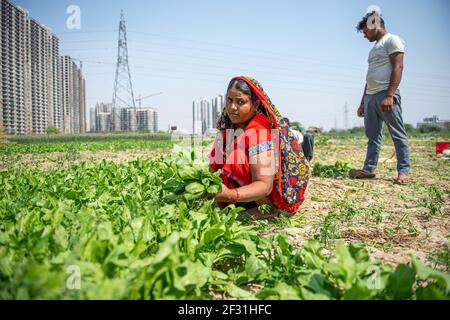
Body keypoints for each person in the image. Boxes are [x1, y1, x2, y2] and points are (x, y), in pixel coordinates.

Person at [209, 76, 311, 218]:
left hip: (266, 197)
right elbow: (213, 168)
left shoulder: (259, 132)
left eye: (240, 102)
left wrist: (231, 194)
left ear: (255, 105)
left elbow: (264, 185)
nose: (232, 107)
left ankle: (270, 210)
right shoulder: (227, 130)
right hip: (241, 196)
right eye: (229, 100)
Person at [350, 11, 411, 184]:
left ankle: (403, 172)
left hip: (385, 94)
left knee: (397, 134)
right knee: (373, 136)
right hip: (370, 97)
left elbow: (398, 67)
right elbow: (369, 77)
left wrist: (390, 95)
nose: (364, 35)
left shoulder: (392, 40)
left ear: (374, 25)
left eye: (365, 31)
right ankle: (369, 169)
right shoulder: (374, 49)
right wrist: (362, 102)